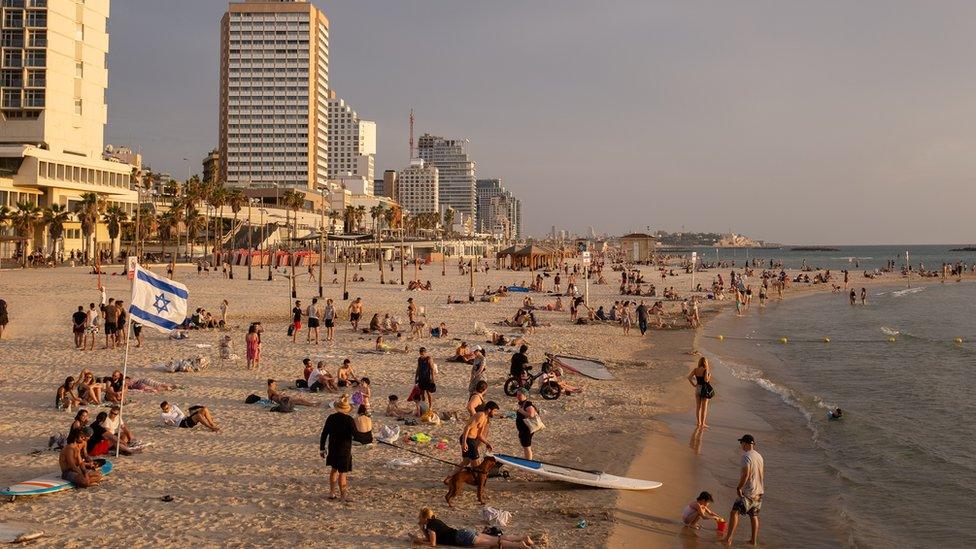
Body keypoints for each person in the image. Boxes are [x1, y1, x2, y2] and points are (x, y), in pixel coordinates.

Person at [409, 507, 534, 548]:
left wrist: (417, 540)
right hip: (464, 532)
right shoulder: (435, 521)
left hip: (462, 538)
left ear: (425, 518)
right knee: (496, 538)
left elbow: (432, 543)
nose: (418, 518)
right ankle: (522, 537)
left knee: (494, 542)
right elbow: (431, 537)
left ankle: (520, 546)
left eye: (420, 517)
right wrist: (421, 529)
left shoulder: (431, 526)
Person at [723, 434, 765, 546]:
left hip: (749, 491)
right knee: (754, 515)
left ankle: (728, 538)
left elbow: (746, 474)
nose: (741, 445)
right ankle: (753, 540)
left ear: (745, 443)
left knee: (734, 512)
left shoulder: (746, 456)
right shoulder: (759, 456)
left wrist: (739, 487)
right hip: (759, 491)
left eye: (741, 443)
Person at [320, 394, 356, 503]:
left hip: (333, 447)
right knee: (343, 472)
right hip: (344, 448)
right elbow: (356, 434)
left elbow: (324, 433)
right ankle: (343, 496)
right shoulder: (349, 419)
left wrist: (322, 448)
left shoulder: (331, 417)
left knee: (334, 469)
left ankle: (331, 492)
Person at [454, 401, 499, 474]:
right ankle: (476, 481)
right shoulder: (480, 415)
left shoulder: (485, 418)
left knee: (466, 461)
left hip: (471, 440)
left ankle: (450, 478)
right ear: (489, 410)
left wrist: (487, 443)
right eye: (494, 411)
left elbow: (479, 435)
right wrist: (464, 443)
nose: (495, 413)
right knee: (477, 465)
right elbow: (467, 428)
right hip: (468, 439)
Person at [688, 357, 713, 428]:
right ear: (705, 363)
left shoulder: (695, 370)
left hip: (698, 388)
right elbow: (706, 380)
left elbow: (689, 377)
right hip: (704, 389)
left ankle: (698, 423)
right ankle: (703, 423)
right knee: (704, 408)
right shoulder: (705, 370)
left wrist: (694, 384)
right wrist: (709, 376)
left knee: (698, 407)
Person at [514, 389, 539, 460]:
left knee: (527, 447)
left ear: (525, 395)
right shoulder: (522, 404)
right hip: (523, 429)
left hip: (527, 429)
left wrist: (521, 411)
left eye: (519, 395)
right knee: (525, 446)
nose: (517, 396)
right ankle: (527, 460)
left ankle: (528, 462)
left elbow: (531, 415)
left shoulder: (528, 404)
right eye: (517, 395)